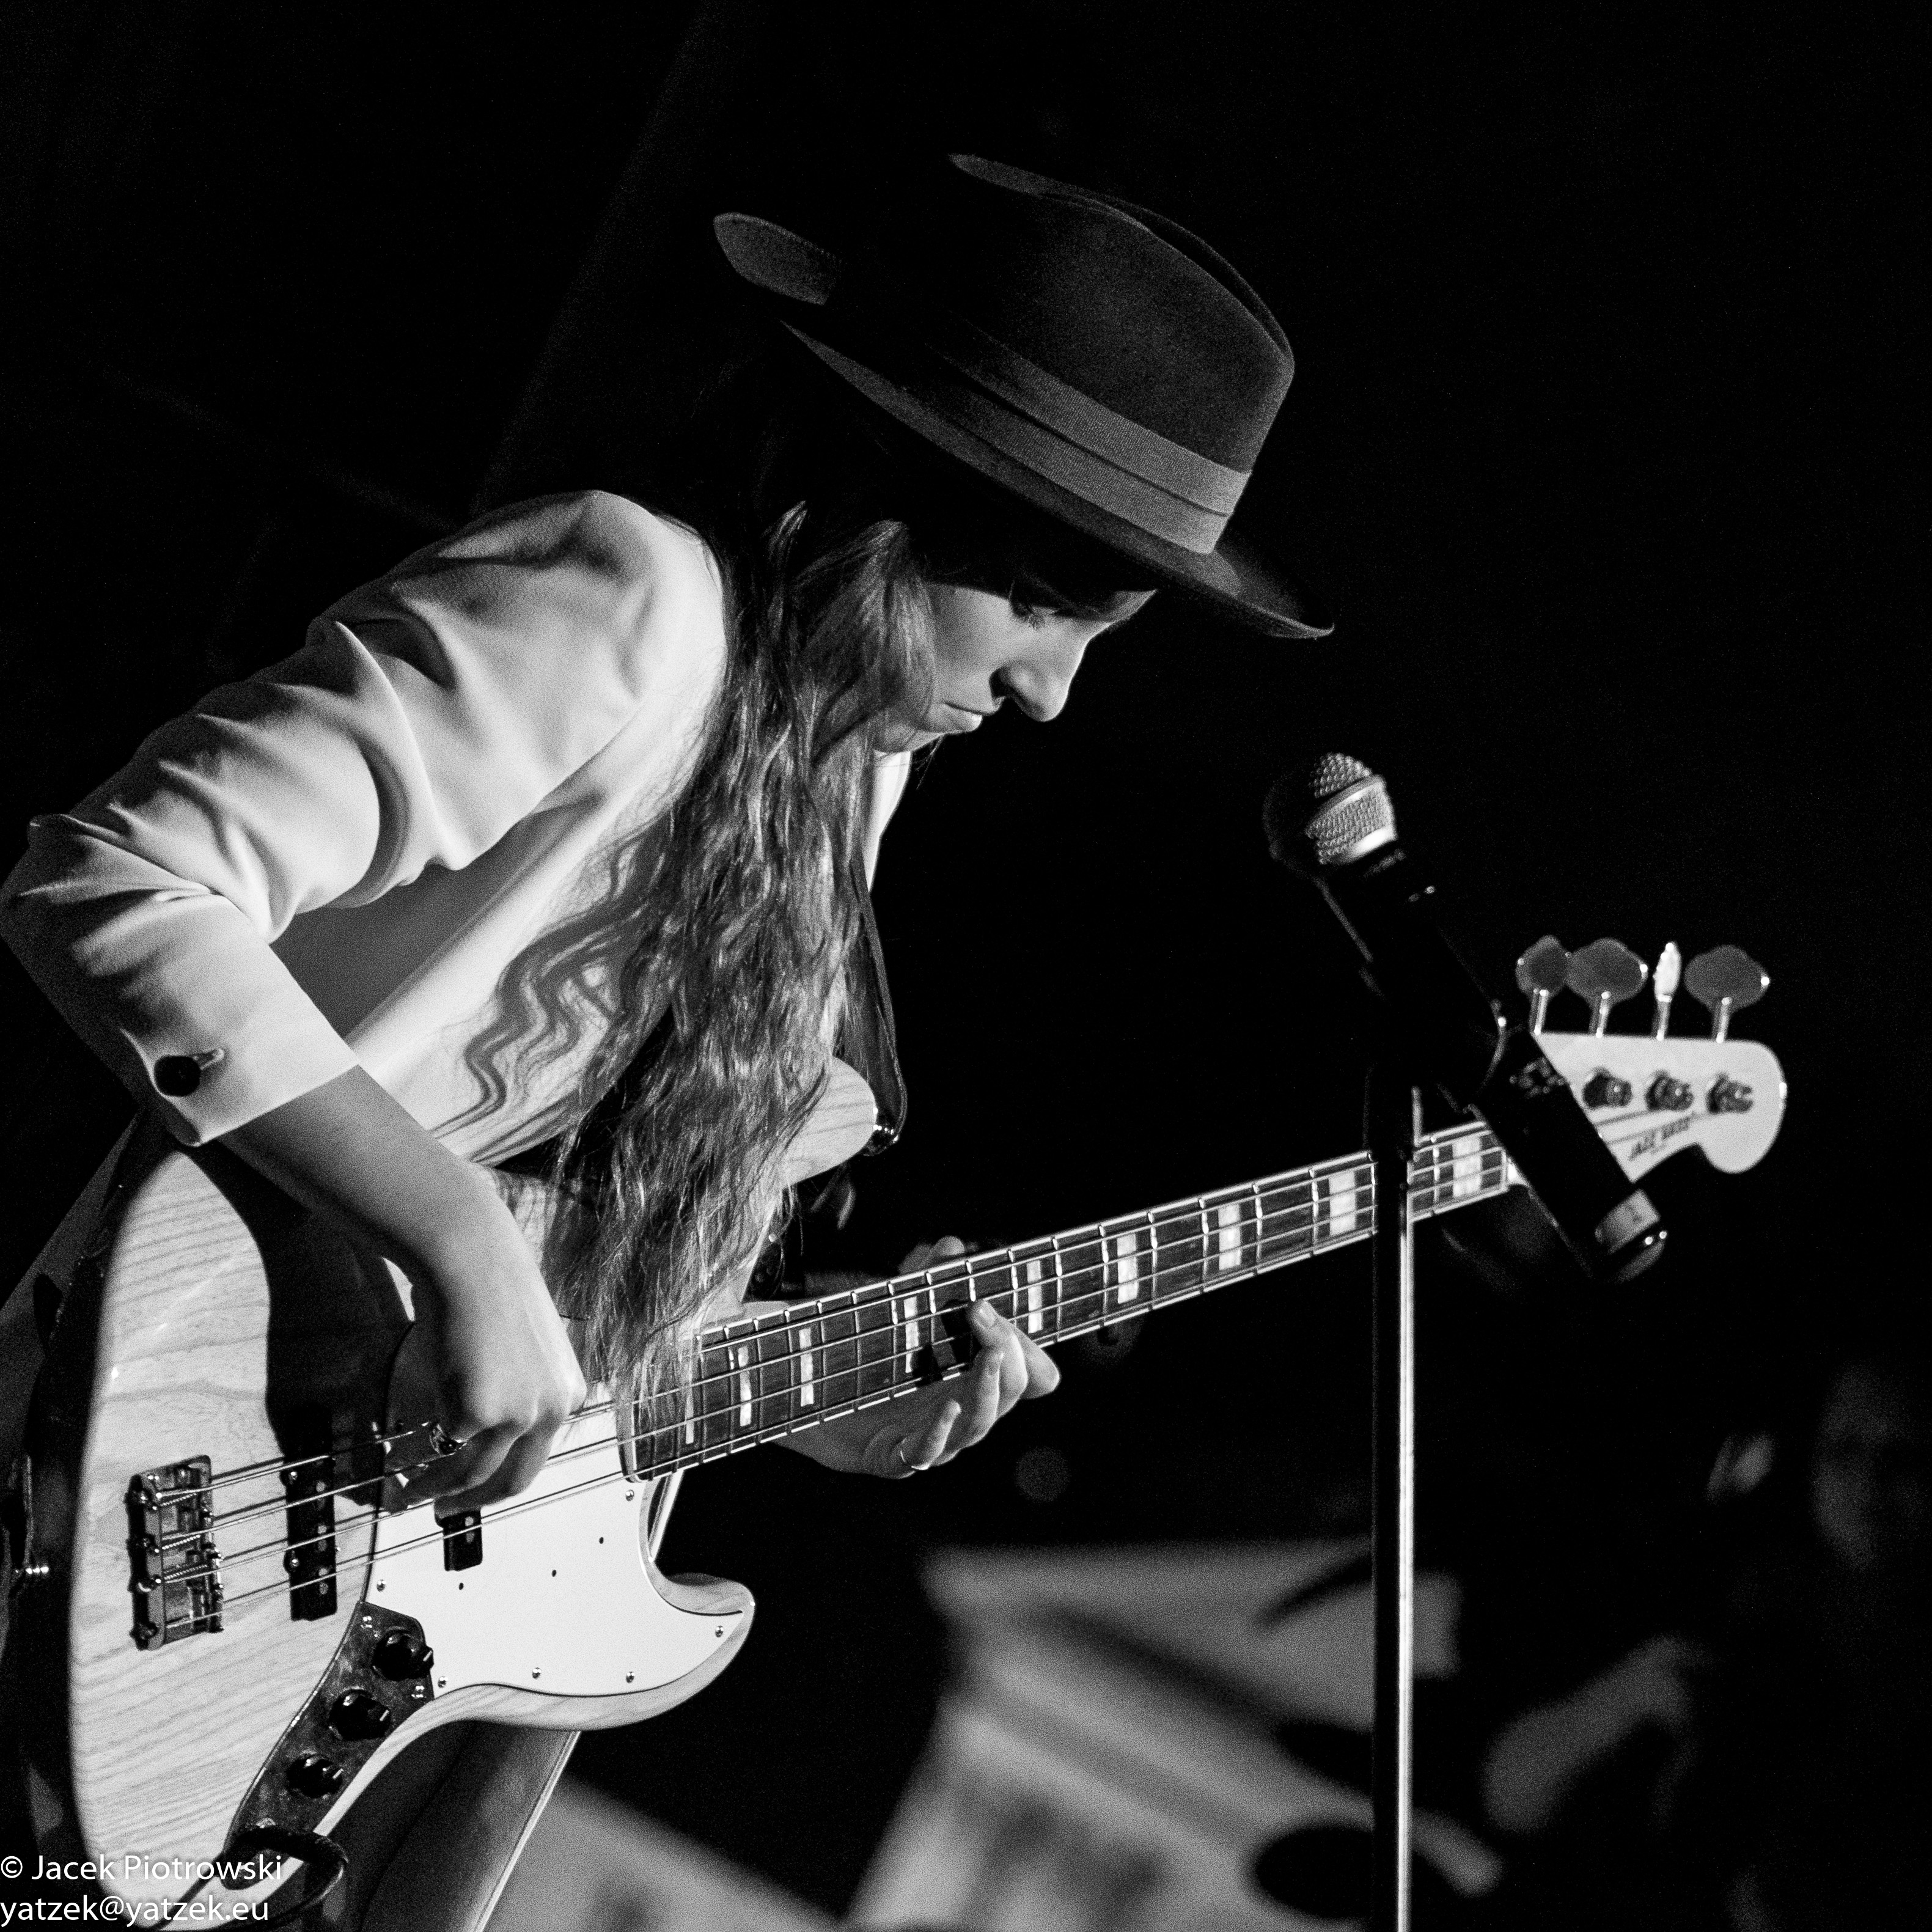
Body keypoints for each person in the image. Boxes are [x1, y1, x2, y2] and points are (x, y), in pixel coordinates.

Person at [0, 155, 1329, 1925]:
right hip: (170, 1490)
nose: (1048, 693)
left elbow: (584, 1286)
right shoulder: (625, 597)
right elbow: (117, 878)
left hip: (376, 1679)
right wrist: (457, 1246)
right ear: (898, 504)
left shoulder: (844, 769)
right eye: (1043, 608)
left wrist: (819, 1396)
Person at [1477, 1342, 1932, 1930]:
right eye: (1844, 1449)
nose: (1869, 1480)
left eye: (1904, 1456)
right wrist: (1619, 1702)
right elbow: (1506, 1794)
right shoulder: (1732, 1594)